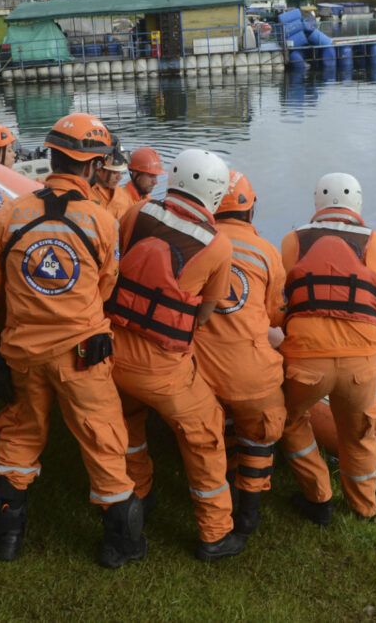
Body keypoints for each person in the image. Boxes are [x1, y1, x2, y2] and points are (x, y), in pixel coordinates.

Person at [0, 113, 144, 569]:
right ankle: (118, 543)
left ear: (51, 155)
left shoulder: (10, 213)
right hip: (84, 355)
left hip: (22, 353)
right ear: (93, 166)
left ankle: (7, 536)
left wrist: (18, 315)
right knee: (102, 438)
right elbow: (104, 288)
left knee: (20, 433)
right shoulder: (102, 222)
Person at [106, 149, 245, 562]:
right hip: (163, 367)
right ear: (216, 193)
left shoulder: (136, 211)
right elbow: (204, 312)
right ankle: (215, 534)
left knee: (130, 423)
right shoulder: (219, 246)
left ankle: (141, 494)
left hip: (112, 351)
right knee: (205, 435)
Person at [279, 172, 376, 523]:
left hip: (305, 361)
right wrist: (371, 342)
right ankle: (364, 509)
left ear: (317, 204)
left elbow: (278, 301)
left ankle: (319, 499)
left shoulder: (292, 241)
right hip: (361, 365)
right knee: (360, 434)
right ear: (357, 205)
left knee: (288, 419)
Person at [192, 170, 286, 537]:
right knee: (261, 432)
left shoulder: (195, 241)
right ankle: (248, 511)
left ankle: (224, 489)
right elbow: (274, 313)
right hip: (253, 376)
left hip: (200, 372)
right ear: (251, 210)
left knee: (216, 430)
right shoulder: (267, 252)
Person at [89, 136, 135, 220]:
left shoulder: (125, 197)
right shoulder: (85, 194)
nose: (120, 177)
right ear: (99, 169)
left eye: (120, 172)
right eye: (114, 173)